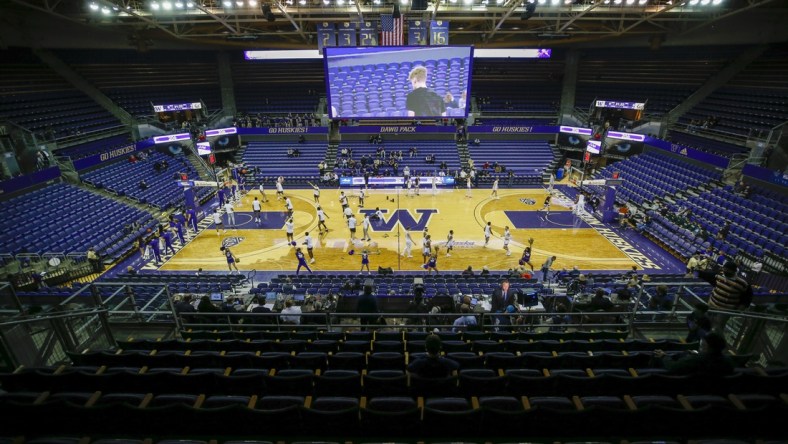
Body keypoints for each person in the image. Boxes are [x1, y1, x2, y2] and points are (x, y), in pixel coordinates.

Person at [652, 332, 735, 376]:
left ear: (708, 346)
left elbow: (673, 367)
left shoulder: (696, 359)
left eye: (703, 345)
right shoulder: (729, 361)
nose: (701, 346)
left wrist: (664, 356)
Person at [706, 260, 751, 332]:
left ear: (733, 271)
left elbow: (748, 297)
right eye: (724, 269)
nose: (724, 270)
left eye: (727, 269)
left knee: (718, 327)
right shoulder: (719, 276)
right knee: (707, 323)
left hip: (725, 309)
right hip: (712, 305)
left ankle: (715, 341)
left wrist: (740, 308)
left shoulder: (743, 283)